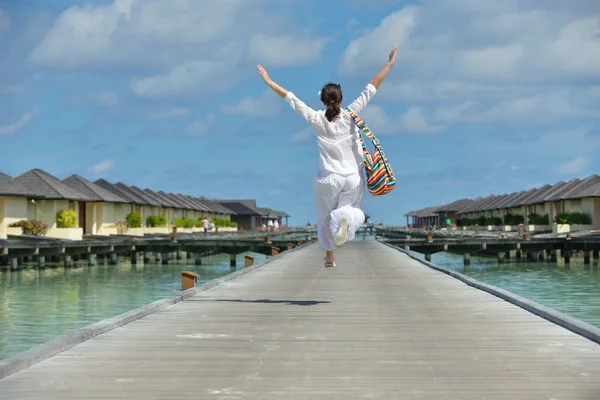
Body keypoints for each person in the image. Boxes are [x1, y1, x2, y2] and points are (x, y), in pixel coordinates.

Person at [257, 44, 398, 267]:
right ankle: (343, 219)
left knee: (324, 218)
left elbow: (291, 99)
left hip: (328, 178)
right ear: (340, 99)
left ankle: (330, 257)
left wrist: (269, 82)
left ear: (323, 101)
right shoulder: (351, 114)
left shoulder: (317, 119)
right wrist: (389, 63)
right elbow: (371, 88)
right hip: (352, 176)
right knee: (351, 211)